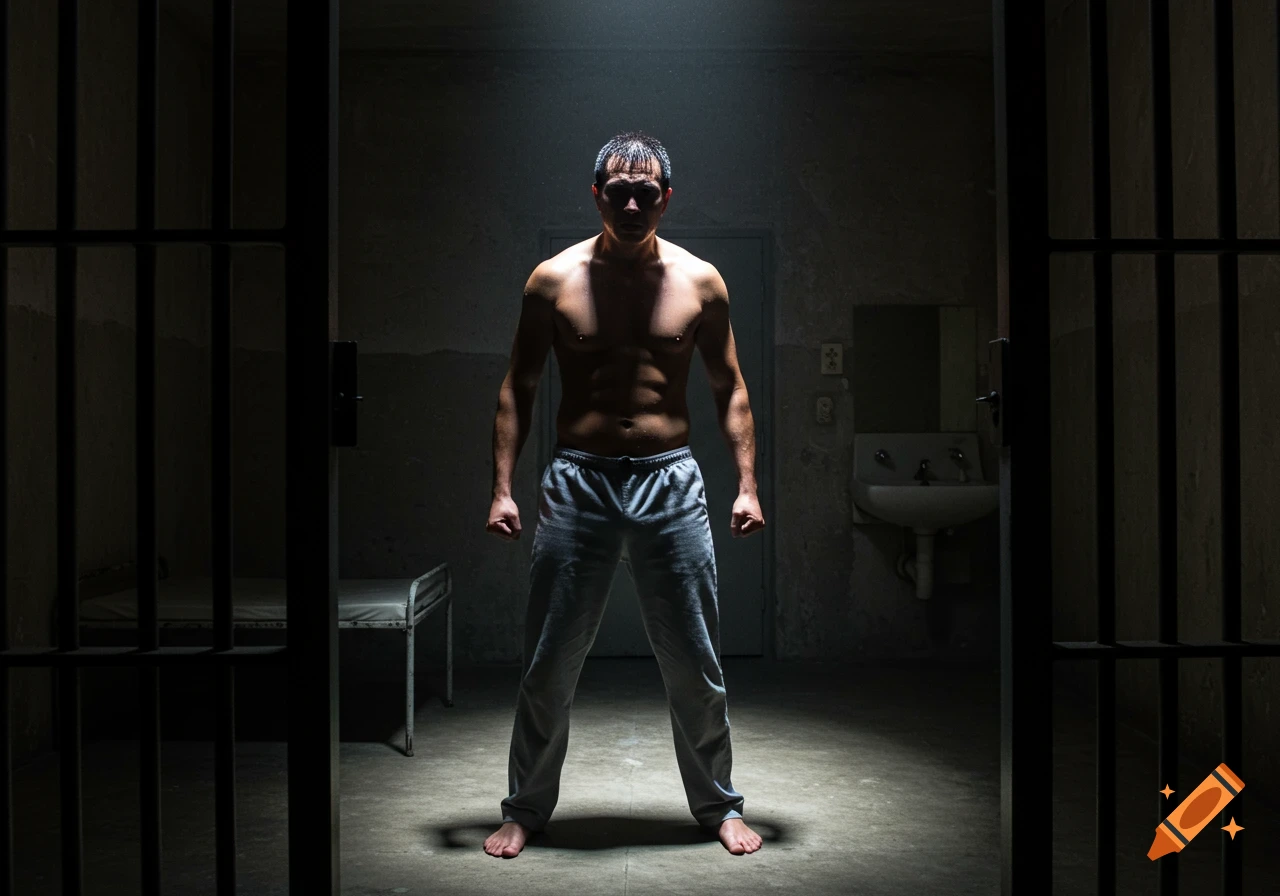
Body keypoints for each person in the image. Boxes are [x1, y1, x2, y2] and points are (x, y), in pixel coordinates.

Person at [483, 131, 765, 859]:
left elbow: (729, 388)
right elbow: (520, 385)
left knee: (694, 662)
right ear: (597, 194)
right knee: (549, 662)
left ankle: (719, 806)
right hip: (578, 482)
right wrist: (502, 489)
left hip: (671, 481)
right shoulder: (552, 279)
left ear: (667, 197)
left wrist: (747, 486)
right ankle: (525, 809)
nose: (633, 202)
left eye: (647, 192)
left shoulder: (702, 281)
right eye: (619, 191)